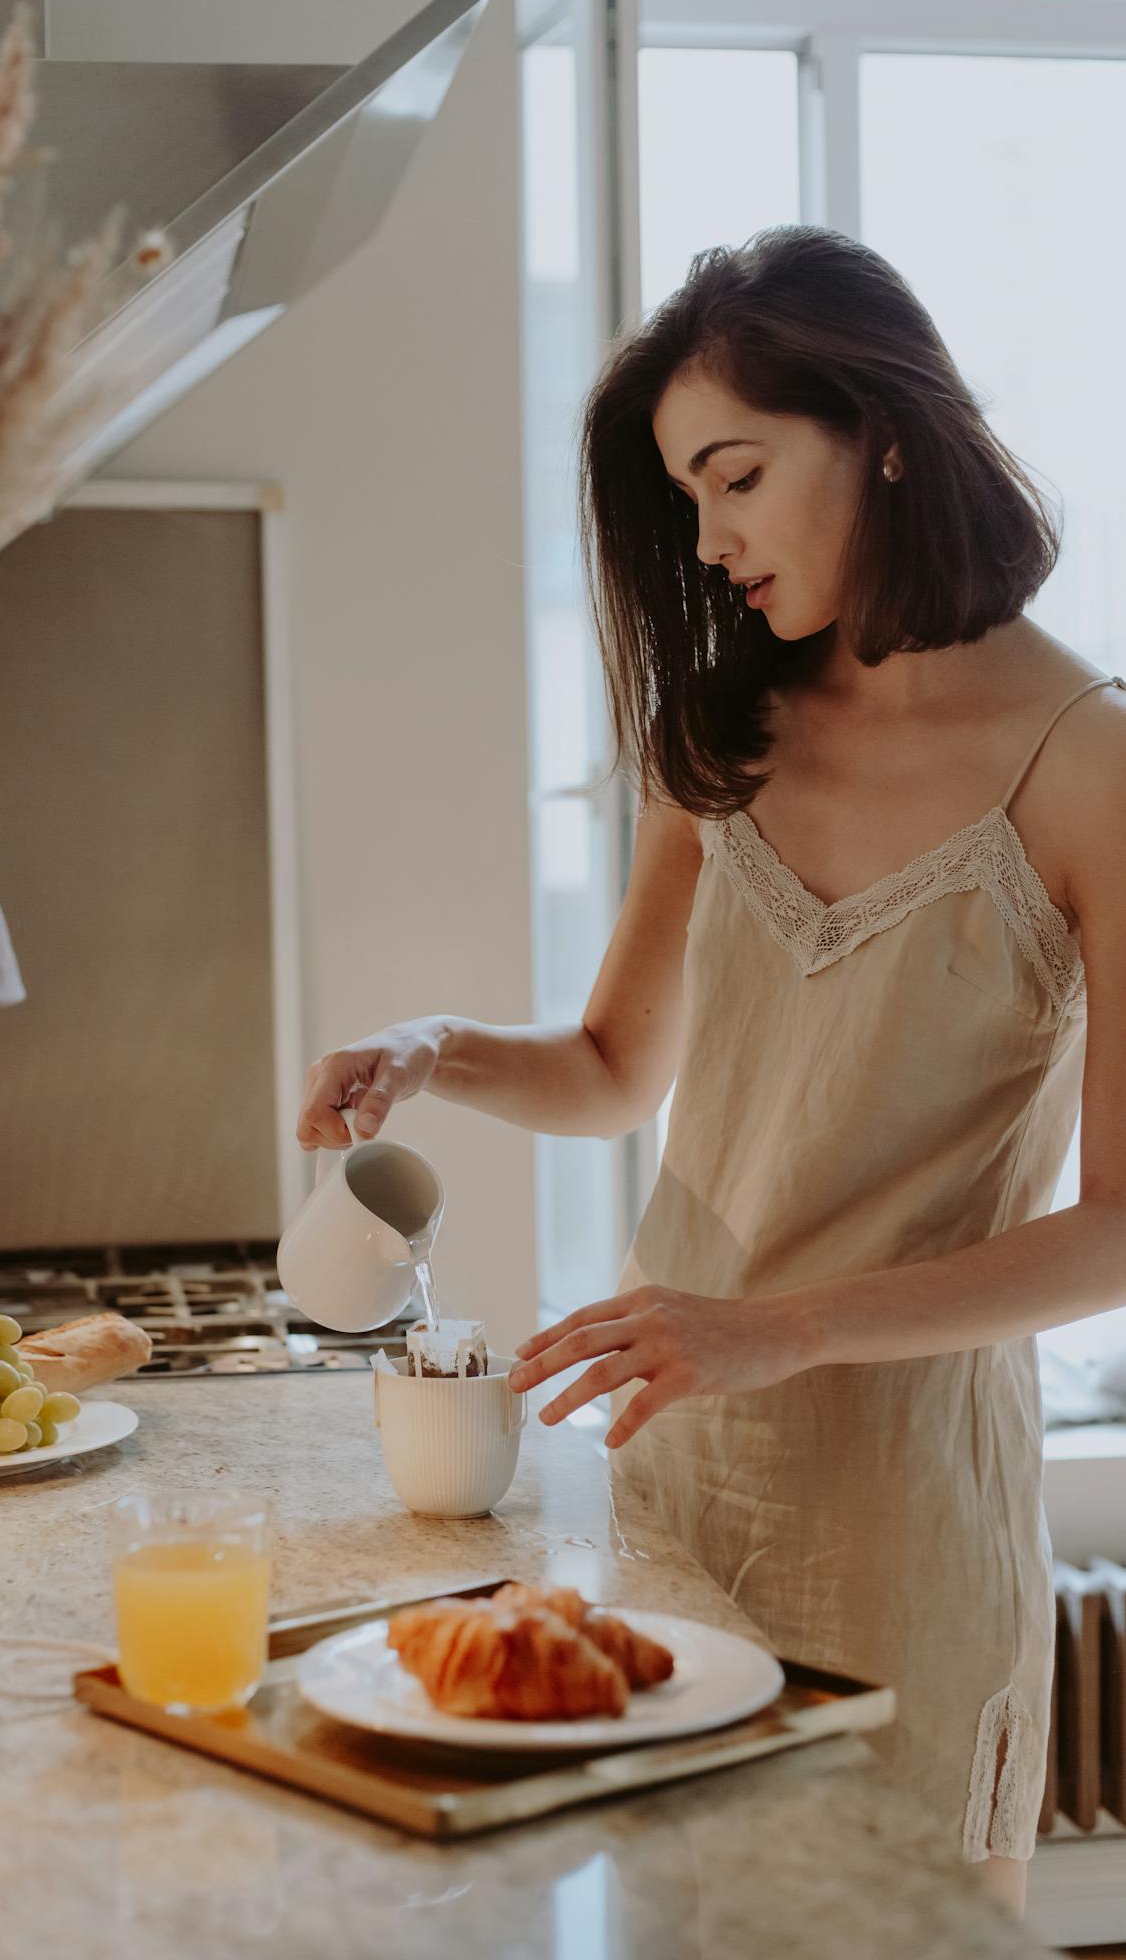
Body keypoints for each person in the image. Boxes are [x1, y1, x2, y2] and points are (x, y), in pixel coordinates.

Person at [296, 226, 1126, 1919]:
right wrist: (430, 1049)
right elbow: (612, 1068)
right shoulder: (726, 731)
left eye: (732, 475)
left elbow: (1120, 1227)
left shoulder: (1086, 763)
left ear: (881, 428)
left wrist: (783, 1324)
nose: (709, 539)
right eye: (683, 498)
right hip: (671, 1477)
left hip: (901, 1506)